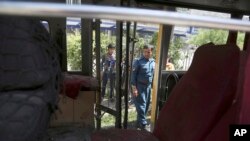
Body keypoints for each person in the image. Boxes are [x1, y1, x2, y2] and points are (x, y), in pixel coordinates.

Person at [131, 45, 155, 130]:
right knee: (141, 105)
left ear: (151, 52)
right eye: (145, 51)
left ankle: (138, 123)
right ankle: (143, 124)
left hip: (148, 87)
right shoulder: (138, 61)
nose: (146, 53)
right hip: (139, 87)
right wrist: (134, 88)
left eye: (148, 52)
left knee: (146, 104)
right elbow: (133, 76)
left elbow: (153, 74)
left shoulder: (153, 62)